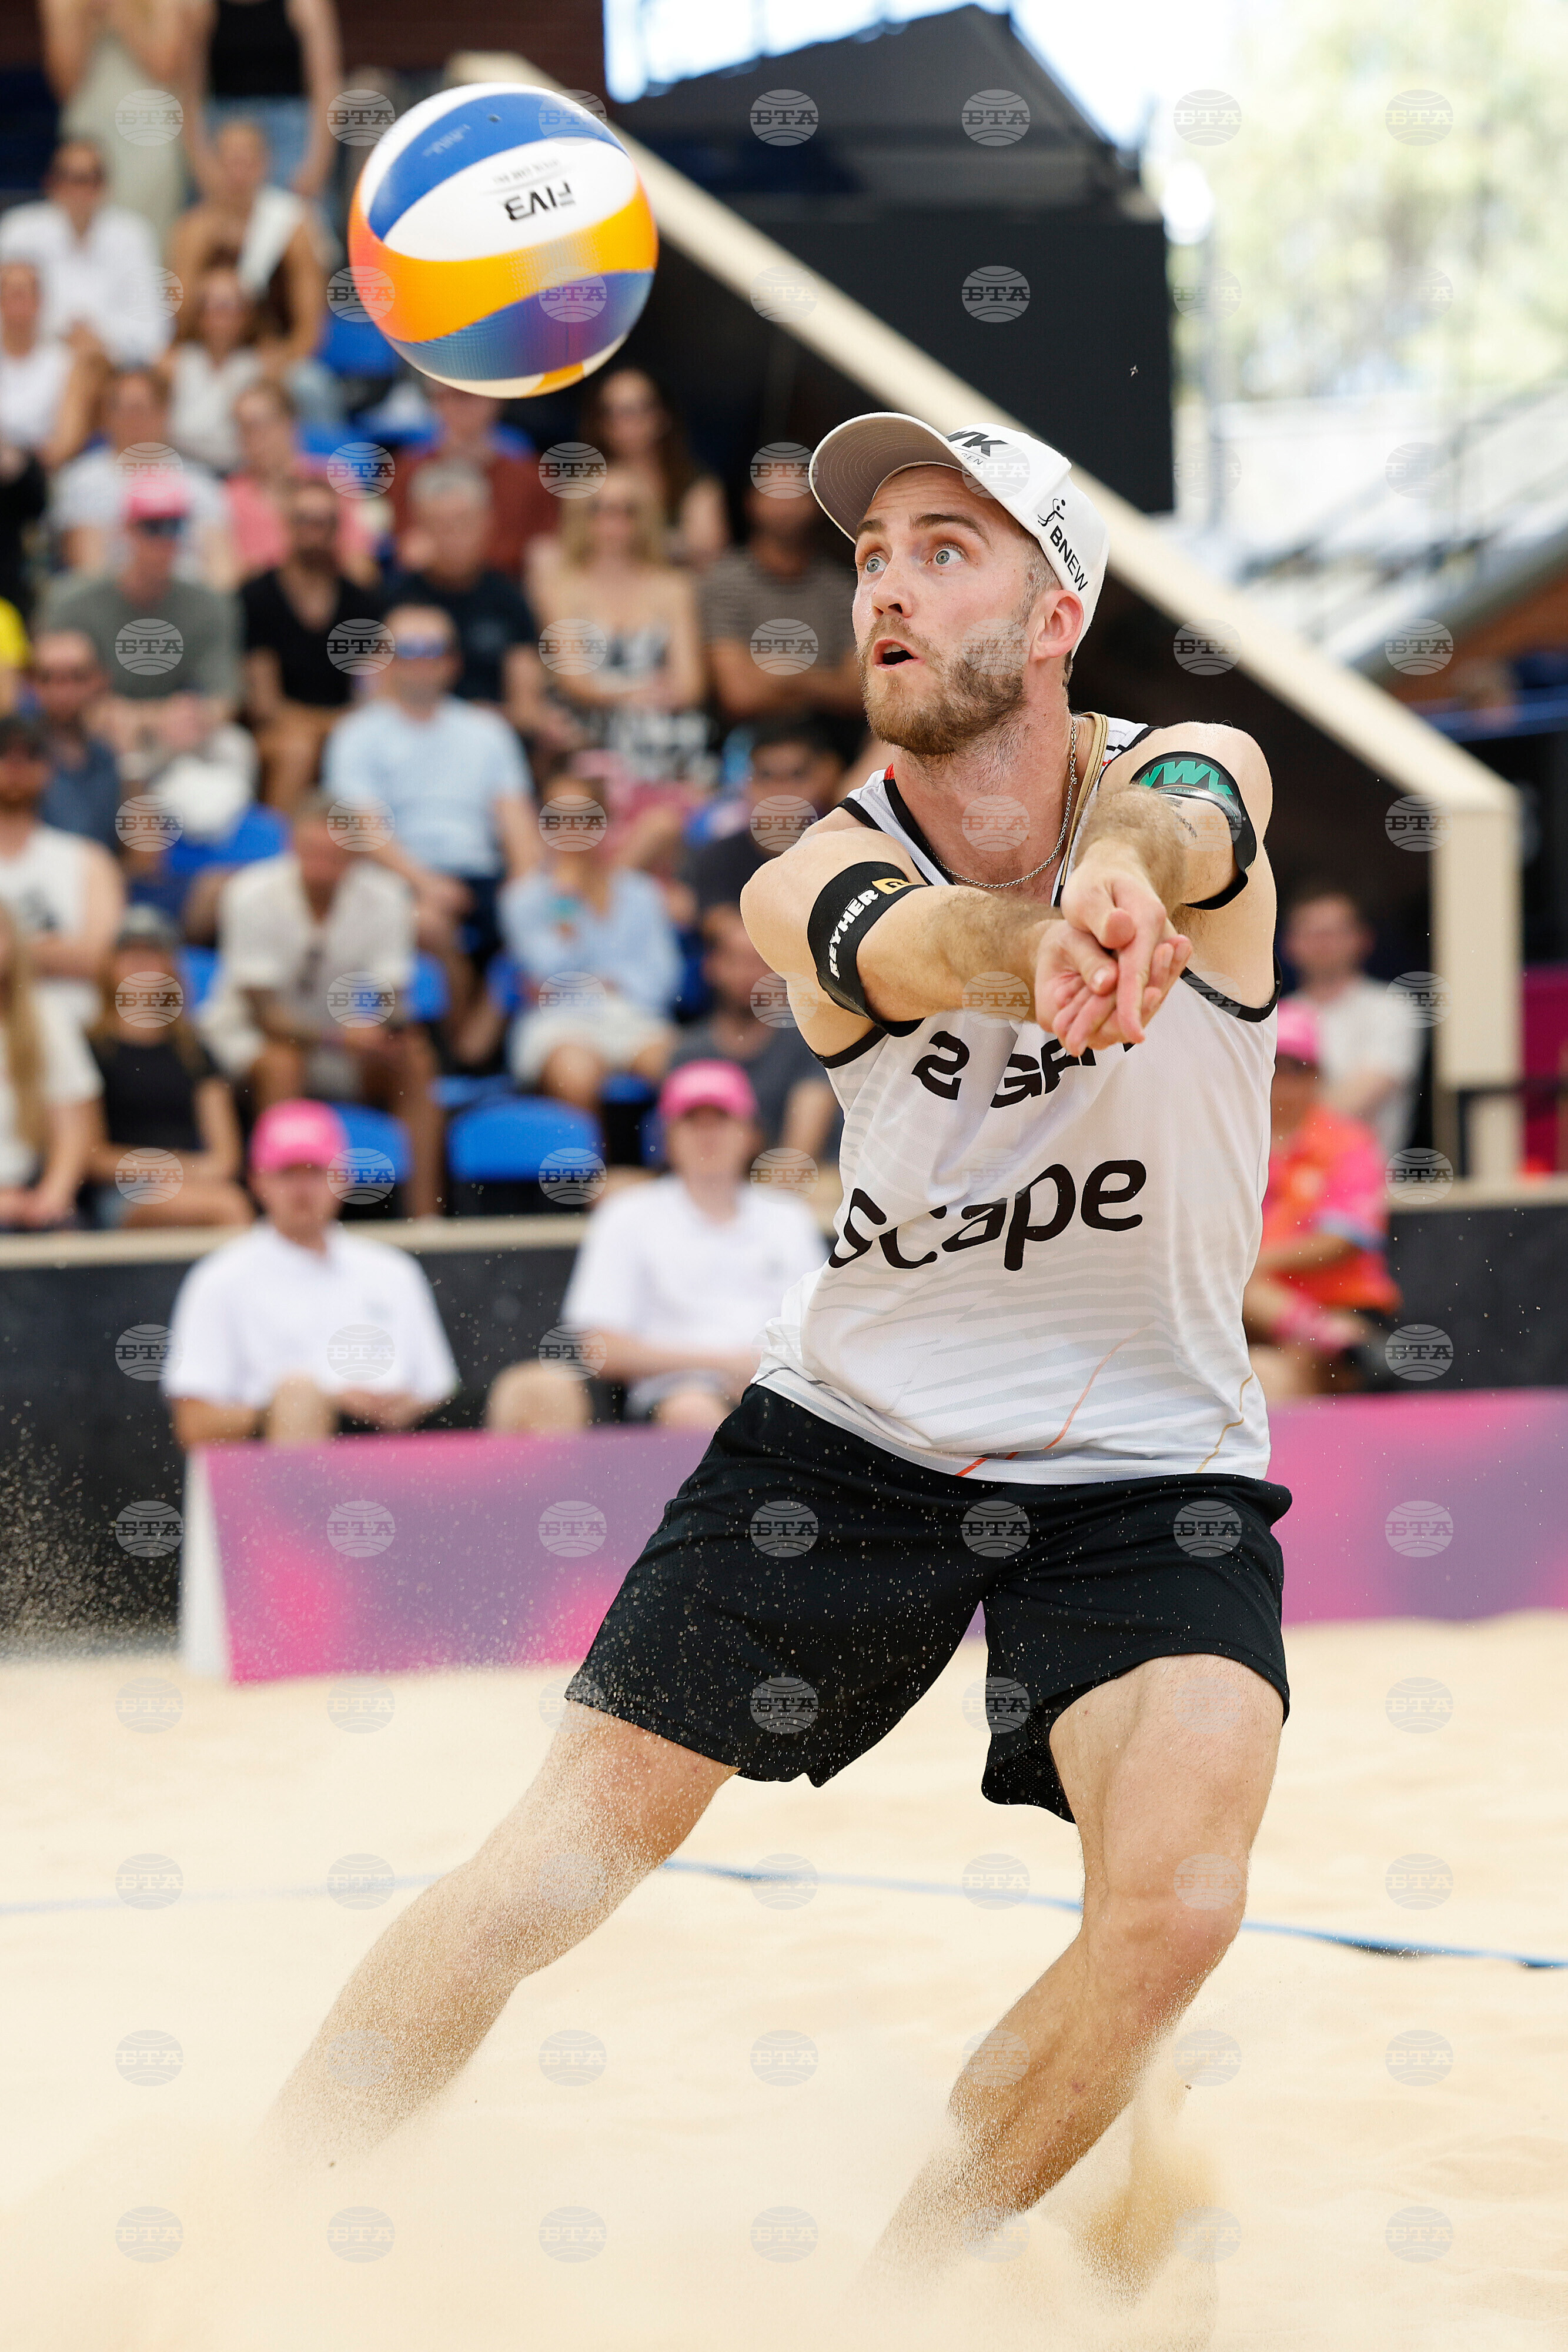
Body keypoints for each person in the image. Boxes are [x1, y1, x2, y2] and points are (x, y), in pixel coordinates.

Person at [260, 405, 1293, 2298]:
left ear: (1059, 609)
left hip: (1155, 1467)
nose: (884, 584)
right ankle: (245, 2218)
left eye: (943, 547)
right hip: (848, 1447)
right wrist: (1045, 935)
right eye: (871, 553)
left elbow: (1197, 811)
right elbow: (899, 949)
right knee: (544, 1877)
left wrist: (1125, 876)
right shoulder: (808, 863)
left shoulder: (1188, 783)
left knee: (1179, 1907)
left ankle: (891, 2301)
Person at [493, 1060, 824, 1435]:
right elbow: (596, 1347)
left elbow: (819, 1331)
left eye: (721, 1120)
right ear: (668, 1137)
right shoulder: (629, 1215)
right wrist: (727, 1365)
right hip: (674, 1396)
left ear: (750, 1134)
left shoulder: (788, 1217)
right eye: (692, 1121)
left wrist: (765, 1374)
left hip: (781, 1392)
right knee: (693, 1409)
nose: (707, 1135)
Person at [162, 1096, 459, 1447]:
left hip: (397, 1460)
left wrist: (401, 1407)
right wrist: (322, 1406)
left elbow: (440, 1393)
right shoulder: (219, 1278)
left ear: (343, 1179)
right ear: (258, 1182)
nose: (303, 1190)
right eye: (288, 1173)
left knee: (532, 1391)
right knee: (300, 1399)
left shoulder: (394, 1271)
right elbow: (193, 1423)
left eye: (316, 1172)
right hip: (268, 1471)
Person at [199, 791, 444, 1216]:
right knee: (283, 1064)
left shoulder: (388, 896)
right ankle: (280, 1215)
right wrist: (338, 1038)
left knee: (416, 1061)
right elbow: (262, 1013)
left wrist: (379, 1029)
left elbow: (391, 995)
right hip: (250, 1039)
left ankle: (426, 1219)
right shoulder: (249, 892)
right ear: (292, 844)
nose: (321, 864)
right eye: (311, 851)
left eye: (333, 854)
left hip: (344, 1045)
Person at [322, 603, 535, 984]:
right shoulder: (355, 735)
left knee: (546, 920)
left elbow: (517, 824)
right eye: (407, 650)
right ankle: (462, 1042)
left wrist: (525, 892)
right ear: (384, 661)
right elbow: (366, 832)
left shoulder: (488, 731)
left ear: (453, 661)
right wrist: (426, 883)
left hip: (481, 873)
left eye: (432, 650)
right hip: (394, 876)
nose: (420, 661)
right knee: (427, 925)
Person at [38, 470, 247, 807]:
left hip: (175, 739)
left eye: (175, 526)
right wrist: (97, 713)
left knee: (234, 750)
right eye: (152, 527)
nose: (165, 540)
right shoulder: (72, 600)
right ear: (126, 529)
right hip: (91, 734)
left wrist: (186, 717)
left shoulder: (209, 604)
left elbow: (225, 697)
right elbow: (50, 687)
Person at [484, 773, 679, 1110]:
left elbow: (663, 979)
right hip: (558, 1025)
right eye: (558, 818)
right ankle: (589, 1163)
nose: (570, 830)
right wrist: (564, 905)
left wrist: (590, 985)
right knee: (575, 1074)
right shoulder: (523, 899)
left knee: (681, 1067)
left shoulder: (641, 893)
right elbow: (546, 972)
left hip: (634, 1019)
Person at [1243, 1001, 1400, 1400]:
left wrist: (1253, 1263)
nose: (1283, 1080)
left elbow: (1343, 1240)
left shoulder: (1346, 1142)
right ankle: (1333, 1339)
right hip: (1241, 1314)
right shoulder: (1232, 1144)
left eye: (1297, 1067)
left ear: (1316, 1076)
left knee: (1273, 1377)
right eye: (1274, 1064)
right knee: (1263, 1374)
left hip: (1340, 1304)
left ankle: (1335, 1338)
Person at [529, 465, 707, 780]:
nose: (613, 522)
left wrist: (628, 694)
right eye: (599, 509)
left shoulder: (674, 587)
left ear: (646, 518)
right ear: (579, 515)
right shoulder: (559, 588)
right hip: (589, 730)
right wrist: (638, 691)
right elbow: (575, 682)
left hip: (662, 729)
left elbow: (690, 685)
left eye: (628, 510)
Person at [83, 908, 252, 1227]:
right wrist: (178, 1170)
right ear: (109, 967)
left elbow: (226, 1156)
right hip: (120, 1193)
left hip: (195, 1184)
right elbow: (92, 1157)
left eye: (152, 956)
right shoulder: (89, 1050)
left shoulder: (196, 1053)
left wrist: (183, 1174)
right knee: (229, 1207)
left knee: (228, 1202)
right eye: (130, 956)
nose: (141, 967)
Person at [241, 473, 383, 808]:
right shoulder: (257, 596)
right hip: (280, 733)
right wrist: (330, 727)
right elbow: (266, 705)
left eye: (323, 522)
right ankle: (282, 853)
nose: (313, 532)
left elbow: (372, 694)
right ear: (287, 525)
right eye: (303, 520)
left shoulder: (361, 602)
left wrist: (339, 729)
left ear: (338, 528)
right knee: (298, 749)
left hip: (346, 727)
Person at [168, 117, 327, 403]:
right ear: (214, 165)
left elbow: (310, 330)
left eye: (247, 162)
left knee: (311, 387)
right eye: (229, 162)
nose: (237, 173)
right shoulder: (193, 230)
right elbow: (180, 321)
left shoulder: (294, 226)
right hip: (208, 360)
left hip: (272, 357)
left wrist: (282, 359)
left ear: (266, 164)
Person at [667, 902, 838, 1162]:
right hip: (715, 1188)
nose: (747, 974)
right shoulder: (687, 1054)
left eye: (760, 961)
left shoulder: (811, 1041)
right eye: (735, 960)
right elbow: (682, 1157)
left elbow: (799, 1158)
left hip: (808, 1188)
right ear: (710, 967)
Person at [387, 461, 545, 734]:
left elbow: (527, 707)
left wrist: (485, 722)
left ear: (487, 522)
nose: (452, 536)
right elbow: (379, 698)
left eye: (463, 521)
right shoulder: (394, 600)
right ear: (419, 526)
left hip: (492, 740)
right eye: (439, 523)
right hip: (409, 739)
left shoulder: (510, 599)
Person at [47, 364, 236, 588]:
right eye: (121, 409)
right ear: (107, 416)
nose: (133, 419)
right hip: (112, 605)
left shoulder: (201, 485)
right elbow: (89, 570)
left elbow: (224, 575)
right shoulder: (82, 481)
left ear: (164, 413)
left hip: (190, 606)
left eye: (140, 409)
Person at [698, 475, 861, 731]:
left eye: (796, 492)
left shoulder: (842, 588)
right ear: (751, 502)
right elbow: (739, 696)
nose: (784, 504)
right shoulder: (723, 583)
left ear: (817, 502)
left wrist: (781, 676)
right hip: (745, 739)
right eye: (773, 491)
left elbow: (858, 695)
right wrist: (825, 682)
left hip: (831, 738)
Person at [0, 713, 124, 1032]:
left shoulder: (88, 859)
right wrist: (56, 951)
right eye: (3, 752)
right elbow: (83, 956)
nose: (16, 765)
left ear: (48, 770)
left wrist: (11, 953)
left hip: (76, 1030)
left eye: (30, 754)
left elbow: (103, 961)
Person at [1281, 885, 1423, 1160]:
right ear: (1290, 944)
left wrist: (1287, 1119)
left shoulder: (1394, 1008)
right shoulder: (1272, 1018)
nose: (1323, 942)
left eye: (1334, 932)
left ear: (1363, 939)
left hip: (1371, 1189)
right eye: (1311, 932)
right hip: (1284, 1188)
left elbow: (1359, 1101)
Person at [0, 136, 169, 366]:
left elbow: (153, 325)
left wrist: (99, 341)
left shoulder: (134, 235)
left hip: (111, 366)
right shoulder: (19, 230)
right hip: (33, 362)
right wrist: (62, 334)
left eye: (90, 179)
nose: (81, 190)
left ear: (105, 185)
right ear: (52, 183)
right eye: (72, 179)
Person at [40, 0, 189, 245]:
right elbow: (64, 83)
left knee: (153, 238)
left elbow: (167, 68)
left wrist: (121, 12)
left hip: (150, 133)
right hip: (90, 130)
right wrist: (88, 19)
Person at [391, 379, 558, 580]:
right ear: (436, 401)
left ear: (496, 400)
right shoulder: (406, 472)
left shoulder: (531, 478)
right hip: (430, 591)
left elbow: (547, 551)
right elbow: (399, 547)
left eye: (472, 396)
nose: (463, 407)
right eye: (452, 396)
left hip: (508, 596)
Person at [0, 898, 99, 1228]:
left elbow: (74, 1121)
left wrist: (52, 1195)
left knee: (64, 1237)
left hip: (25, 1193)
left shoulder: (44, 1016)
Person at [224, 376, 378, 582]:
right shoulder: (230, 495)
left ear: (290, 423)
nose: (253, 438)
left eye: (260, 425)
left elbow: (361, 566)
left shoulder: (334, 479)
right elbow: (231, 577)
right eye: (243, 428)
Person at [186, 0, 343, 200]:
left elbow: (326, 86)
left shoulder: (305, 5)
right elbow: (190, 93)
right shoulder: (202, 8)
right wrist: (201, 163)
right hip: (224, 130)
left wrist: (318, 164)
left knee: (296, 220)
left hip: (290, 135)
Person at [687, 715, 846, 913]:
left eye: (796, 775)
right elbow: (730, 935)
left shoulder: (842, 851)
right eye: (767, 776)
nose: (781, 789)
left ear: (819, 781)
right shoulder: (718, 857)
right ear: (749, 785)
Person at [575, 366, 727, 570]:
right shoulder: (586, 484)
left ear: (661, 416)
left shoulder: (696, 484)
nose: (622, 423)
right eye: (610, 412)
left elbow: (708, 556)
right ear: (600, 424)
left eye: (634, 410)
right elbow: (572, 548)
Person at [160, 264, 268, 475]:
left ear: (246, 315)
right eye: (213, 306)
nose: (221, 316)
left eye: (229, 306)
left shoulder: (261, 368)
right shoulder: (171, 364)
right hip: (179, 468)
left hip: (239, 473)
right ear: (199, 314)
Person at [31, 629, 125, 854]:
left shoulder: (111, 755)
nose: (62, 691)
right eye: (48, 678)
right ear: (32, 684)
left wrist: (128, 757)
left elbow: (143, 859)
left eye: (77, 677)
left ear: (100, 679)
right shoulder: (14, 755)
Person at [0, 260, 76, 467]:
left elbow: (66, 441)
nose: (17, 302)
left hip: (40, 474)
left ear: (40, 301)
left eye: (23, 294)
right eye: (11, 293)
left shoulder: (64, 361)